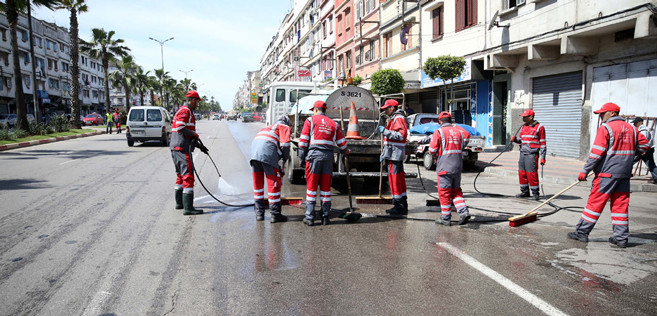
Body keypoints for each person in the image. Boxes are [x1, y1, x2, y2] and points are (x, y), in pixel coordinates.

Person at [568, 103, 649, 248]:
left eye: (602, 113)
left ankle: (582, 232)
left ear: (612, 113)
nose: (600, 116)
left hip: (606, 174)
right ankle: (621, 238)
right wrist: (630, 157)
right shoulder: (632, 129)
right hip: (623, 175)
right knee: (620, 206)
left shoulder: (605, 128)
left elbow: (596, 153)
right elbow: (645, 147)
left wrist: (585, 171)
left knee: (595, 204)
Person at [299, 100, 348, 226]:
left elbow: (303, 142)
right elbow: (342, 143)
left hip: (314, 158)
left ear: (315, 110)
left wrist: (301, 158)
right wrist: (345, 151)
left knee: (311, 188)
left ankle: (309, 218)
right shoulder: (334, 123)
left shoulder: (310, 121)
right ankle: (325, 217)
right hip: (328, 158)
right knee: (326, 189)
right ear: (325, 110)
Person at [427, 111, 471, 226]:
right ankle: (463, 212)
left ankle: (446, 218)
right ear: (451, 121)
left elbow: (432, 151)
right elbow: (467, 135)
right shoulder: (459, 132)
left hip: (444, 167)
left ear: (440, 121)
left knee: (444, 193)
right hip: (457, 166)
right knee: (456, 191)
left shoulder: (439, 132)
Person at [170, 90, 209, 216]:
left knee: (180, 176)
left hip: (178, 147)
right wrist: (194, 134)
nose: (198, 104)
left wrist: (199, 146)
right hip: (181, 148)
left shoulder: (186, 111)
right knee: (188, 176)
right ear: (193, 100)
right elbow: (181, 128)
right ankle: (188, 208)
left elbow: (185, 132)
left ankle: (180, 203)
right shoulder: (185, 111)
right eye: (197, 101)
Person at [250, 115, 292, 223]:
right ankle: (275, 215)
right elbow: (286, 145)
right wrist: (285, 158)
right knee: (273, 184)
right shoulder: (284, 127)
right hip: (267, 153)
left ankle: (259, 214)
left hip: (254, 154)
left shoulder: (266, 128)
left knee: (258, 186)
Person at [378, 99, 409, 216]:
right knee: (398, 179)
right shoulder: (396, 118)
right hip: (394, 154)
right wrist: (384, 154)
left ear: (392, 108)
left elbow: (401, 135)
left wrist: (385, 132)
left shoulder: (398, 118)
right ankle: (402, 205)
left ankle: (399, 206)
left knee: (395, 180)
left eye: (386, 108)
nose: (385, 111)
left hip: (395, 154)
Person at [510, 109, 547, 201]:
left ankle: (535, 193)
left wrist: (543, 157)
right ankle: (525, 191)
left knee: (532, 174)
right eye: (523, 117)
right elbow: (521, 140)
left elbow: (543, 144)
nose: (523, 118)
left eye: (525, 117)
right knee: (522, 173)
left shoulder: (539, 127)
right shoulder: (523, 127)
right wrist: (515, 139)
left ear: (531, 117)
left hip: (532, 154)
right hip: (523, 153)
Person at [632, 117, 656, 184]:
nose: (634, 124)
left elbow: (644, 141)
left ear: (640, 122)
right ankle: (656, 177)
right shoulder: (643, 129)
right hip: (647, 149)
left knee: (630, 161)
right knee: (651, 165)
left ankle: (625, 176)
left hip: (644, 150)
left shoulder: (643, 130)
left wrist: (643, 151)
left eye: (636, 123)